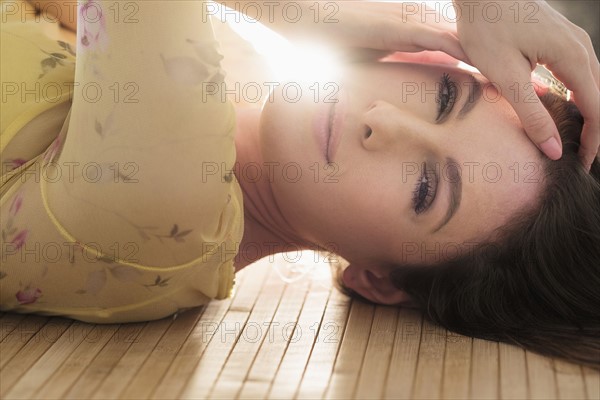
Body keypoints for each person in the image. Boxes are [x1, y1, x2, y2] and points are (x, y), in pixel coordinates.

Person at [0, 0, 598, 369]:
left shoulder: (174, 208)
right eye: (443, 96)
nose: (381, 122)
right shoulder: (235, 65)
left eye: (424, 188)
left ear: (381, 282)